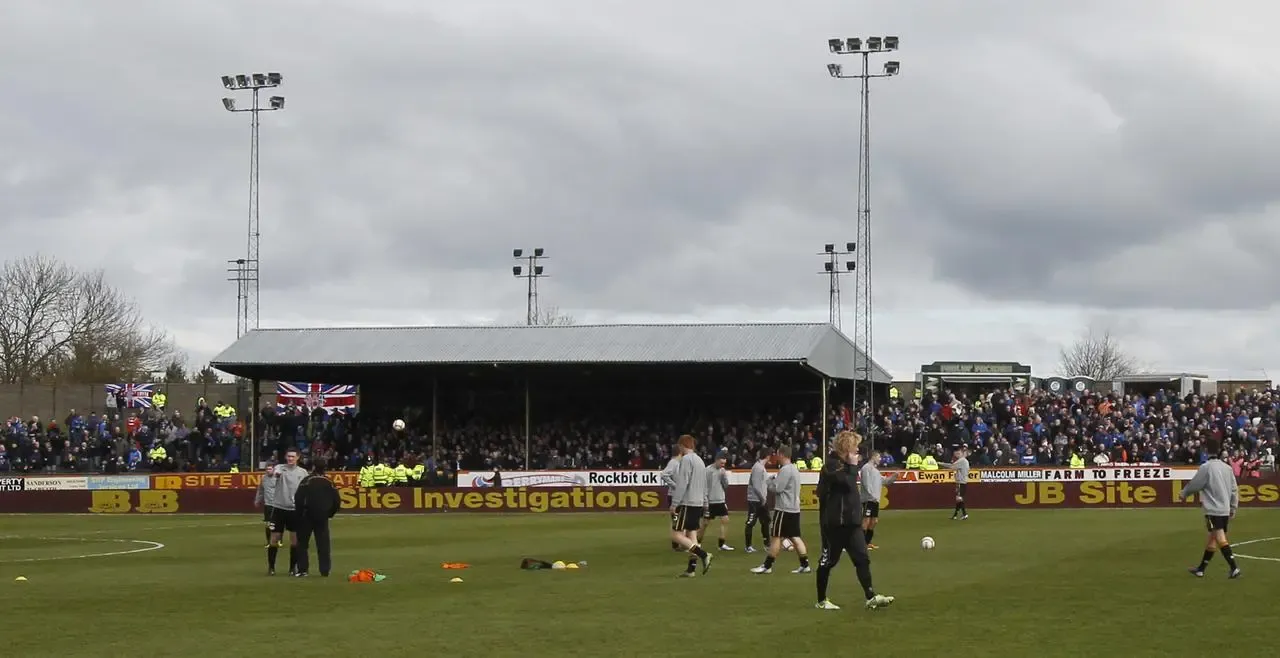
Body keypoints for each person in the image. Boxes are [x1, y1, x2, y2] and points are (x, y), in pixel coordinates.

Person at [814, 431, 894, 610]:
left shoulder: (845, 466)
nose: (858, 449)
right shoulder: (831, 465)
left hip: (852, 523)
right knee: (828, 562)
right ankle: (821, 600)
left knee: (862, 559)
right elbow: (847, 483)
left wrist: (851, 466)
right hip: (834, 524)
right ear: (846, 447)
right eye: (855, 446)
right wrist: (852, 466)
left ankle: (870, 596)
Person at [1179, 439, 1241, 579]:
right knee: (1212, 539)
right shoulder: (1227, 468)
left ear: (1206, 451)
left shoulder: (1206, 467)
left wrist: (1184, 493)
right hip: (1224, 509)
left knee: (1219, 537)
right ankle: (1201, 569)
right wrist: (1233, 507)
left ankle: (1234, 567)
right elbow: (1234, 490)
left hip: (1213, 510)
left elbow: (1195, 484)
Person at [751, 446, 810, 575]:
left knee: (776, 536)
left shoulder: (785, 470)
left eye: (777, 454)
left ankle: (767, 565)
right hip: (794, 508)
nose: (776, 457)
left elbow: (777, 488)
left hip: (784, 509)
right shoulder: (794, 469)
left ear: (782, 455)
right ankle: (805, 564)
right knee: (795, 537)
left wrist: (768, 481)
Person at [670, 435, 713, 577]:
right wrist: (705, 503)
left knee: (676, 535)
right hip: (698, 503)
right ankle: (691, 569)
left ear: (682, 445)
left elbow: (682, 484)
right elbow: (704, 485)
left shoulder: (686, 460)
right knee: (692, 534)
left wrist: (675, 504)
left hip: (687, 503)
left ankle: (704, 554)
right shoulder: (700, 461)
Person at [293, 460, 340, 578]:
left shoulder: (307, 481)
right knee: (323, 544)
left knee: (302, 544)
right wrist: (329, 513)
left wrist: (299, 514)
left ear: (313, 467)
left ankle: (303, 570)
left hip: (306, 516)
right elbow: (337, 501)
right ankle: (325, 570)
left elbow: (298, 498)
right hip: (322, 517)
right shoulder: (329, 482)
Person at [267, 447, 309, 576]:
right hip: (279, 508)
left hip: (294, 509)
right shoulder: (281, 468)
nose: (290, 458)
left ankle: (292, 568)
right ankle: (271, 567)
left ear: (298, 458)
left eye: (293, 456)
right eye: (288, 456)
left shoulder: (302, 472)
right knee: (274, 539)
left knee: (295, 540)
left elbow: (306, 489)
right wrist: (275, 474)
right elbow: (274, 473)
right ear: (286, 457)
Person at [859, 447, 897, 550]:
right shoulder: (866, 468)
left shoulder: (875, 471)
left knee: (874, 521)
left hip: (875, 500)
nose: (880, 459)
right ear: (874, 457)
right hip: (868, 499)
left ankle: (867, 542)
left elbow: (884, 481)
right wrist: (871, 495)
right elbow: (866, 484)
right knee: (866, 521)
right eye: (879, 457)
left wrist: (893, 477)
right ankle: (860, 544)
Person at [698, 449, 734, 551]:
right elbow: (703, 486)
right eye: (722, 463)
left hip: (720, 500)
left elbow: (726, 486)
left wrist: (724, 477)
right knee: (705, 524)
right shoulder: (708, 470)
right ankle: (697, 543)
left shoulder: (722, 471)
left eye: (724, 463)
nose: (723, 465)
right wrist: (705, 502)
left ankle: (721, 544)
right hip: (710, 501)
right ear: (717, 460)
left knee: (725, 520)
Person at [743, 446, 772, 554]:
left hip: (760, 500)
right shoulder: (758, 468)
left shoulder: (760, 467)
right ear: (768, 456)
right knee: (751, 522)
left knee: (766, 521)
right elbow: (755, 485)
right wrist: (762, 498)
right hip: (755, 500)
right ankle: (748, 546)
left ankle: (767, 544)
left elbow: (762, 482)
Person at [936, 445, 971, 520]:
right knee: (958, 499)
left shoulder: (961, 460)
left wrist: (940, 463)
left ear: (961, 453)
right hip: (963, 481)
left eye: (958, 453)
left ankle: (964, 514)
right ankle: (955, 515)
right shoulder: (965, 461)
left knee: (959, 498)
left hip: (960, 482)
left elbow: (951, 466)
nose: (956, 455)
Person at [661, 447, 683, 551]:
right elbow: (664, 474)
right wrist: (675, 485)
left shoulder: (675, 463)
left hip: (676, 495)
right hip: (674, 496)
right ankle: (676, 544)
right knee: (676, 520)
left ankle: (677, 543)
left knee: (677, 520)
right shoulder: (674, 462)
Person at [252, 458, 277, 549]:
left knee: (277, 524)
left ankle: (278, 539)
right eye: (267, 469)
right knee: (268, 524)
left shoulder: (278, 478)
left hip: (277, 504)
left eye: (270, 469)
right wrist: (257, 500)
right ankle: (269, 542)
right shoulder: (263, 478)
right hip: (268, 504)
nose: (268, 471)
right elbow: (260, 490)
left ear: (274, 469)